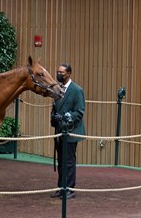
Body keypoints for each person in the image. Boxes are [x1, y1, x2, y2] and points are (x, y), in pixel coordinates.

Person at [50, 63, 86, 200]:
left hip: (71, 131)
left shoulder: (77, 90)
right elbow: (54, 108)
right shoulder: (57, 90)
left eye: (62, 72)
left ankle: (70, 189)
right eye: (58, 72)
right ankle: (61, 187)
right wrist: (54, 118)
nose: (59, 74)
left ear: (69, 73)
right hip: (59, 131)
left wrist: (65, 117)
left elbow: (79, 112)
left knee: (69, 161)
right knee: (61, 161)